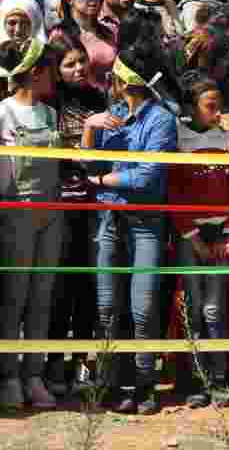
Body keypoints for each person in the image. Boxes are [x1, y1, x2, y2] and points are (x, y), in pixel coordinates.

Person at [81, 38, 178, 415]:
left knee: (142, 308)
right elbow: (90, 166)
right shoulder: (111, 114)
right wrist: (90, 128)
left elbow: (148, 177)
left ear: (123, 80)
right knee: (106, 307)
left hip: (145, 221)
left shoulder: (162, 119)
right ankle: (109, 383)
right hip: (109, 219)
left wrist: (105, 182)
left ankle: (144, 385)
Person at [167, 77, 229, 409]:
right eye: (209, 105)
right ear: (193, 108)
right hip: (192, 238)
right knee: (193, 309)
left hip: (221, 236)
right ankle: (196, 379)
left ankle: (220, 377)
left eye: (219, 104)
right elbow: (175, 191)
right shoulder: (179, 140)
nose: (216, 112)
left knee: (214, 309)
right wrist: (193, 237)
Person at [0, 38, 62, 410]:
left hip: (51, 213)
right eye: (49, 69)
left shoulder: (50, 115)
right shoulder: (3, 114)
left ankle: (33, 374)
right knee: (14, 297)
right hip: (17, 212)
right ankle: (8, 375)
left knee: (42, 296)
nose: (53, 76)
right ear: (35, 72)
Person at [44, 31, 105, 397]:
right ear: (57, 70)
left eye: (82, 59)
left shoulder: (98, 98)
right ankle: (52, 362)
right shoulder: (51, 102)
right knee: (59, 288)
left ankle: (83, 359)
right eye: (70, 63)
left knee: (87, 285)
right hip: (61, 203)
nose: (79, 67)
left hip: (93, 200)